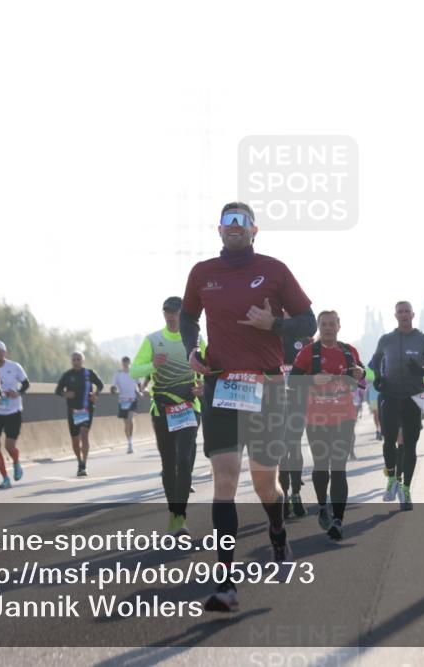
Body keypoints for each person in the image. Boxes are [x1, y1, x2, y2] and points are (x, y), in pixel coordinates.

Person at [181, 201, 316, 612]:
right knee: (224, 476)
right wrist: (191, 350)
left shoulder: (274, 269)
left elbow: (308, 323)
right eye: (227, 220)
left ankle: (277, 529)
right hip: (220, 385)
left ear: (254, 230)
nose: (234, 226)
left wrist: (273, 325)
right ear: (218, 229)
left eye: (242, 221)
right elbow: (188, 317)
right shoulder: (203, 273)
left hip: (265, 387)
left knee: (263, 483)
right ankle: (225, 582)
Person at [130, 296, 206, 536]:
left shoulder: (194, 340)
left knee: (184, 460)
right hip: (161, 410)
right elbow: (134, 370)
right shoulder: (153, 340)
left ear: (183, 314)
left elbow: (210, 367)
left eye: (174, 312)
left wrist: (202, 384)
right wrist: (151, 365)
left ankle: (179, 518)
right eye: (167, 312)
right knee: (169, 464)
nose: (170, 316)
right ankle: (173, 514)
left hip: (188, 407)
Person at [290, 311, 363, 540]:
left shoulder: (349, 351)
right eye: (324, 324)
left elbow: (360, 379)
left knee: (339, 468)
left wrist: (360, 375)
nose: (328, 328)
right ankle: (323, 506)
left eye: (332, 324)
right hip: (317, 418)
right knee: (321, 466)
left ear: (339, 326)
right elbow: (292, 381)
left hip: (345, 417)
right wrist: (312, 379)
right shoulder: (308, 353)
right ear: (319, 327)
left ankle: (338, 520)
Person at [368, 301, 424, 511]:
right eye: (400, 312)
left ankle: (406, 488)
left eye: (407, 312)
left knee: (410, 445)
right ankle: (392, 478)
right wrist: (377, 378)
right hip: (390, 396)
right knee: (389, 441)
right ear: (395, 315)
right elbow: (374, 363)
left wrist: (423, 372)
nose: (404, 315)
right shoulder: (386, 340)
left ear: (413, 315)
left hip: (413, 397)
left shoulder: (422, 340)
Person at [0, 340, 29, 489]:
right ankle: (5, 478)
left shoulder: (14, 367)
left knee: (9, 446)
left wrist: (18, 392)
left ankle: (16, 462)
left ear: (5, 352)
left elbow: (26, 383)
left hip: (13, 411)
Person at [279, 325, 312, 519]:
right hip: (274, 401)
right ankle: (283, 496)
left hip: (297, 401)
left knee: (294, 446)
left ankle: (296, 494)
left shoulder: (304, 340)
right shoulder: (268, 338)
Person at [54, 352, 104, 476]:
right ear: (71, 361)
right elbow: (58, 391)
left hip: (87, 409)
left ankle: (84, 465)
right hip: (73, 410)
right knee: (75, 440)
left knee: (84, 434)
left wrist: (95, 394)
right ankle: (79, 460)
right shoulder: (67, 375)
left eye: (78, 359)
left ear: (83, 360)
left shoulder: (89, 373)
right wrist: (66, 394)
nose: (76, 361)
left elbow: (100, 385)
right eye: (74, 359)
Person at [112, 356, 141, 454]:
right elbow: (114, 386)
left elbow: (139, 384)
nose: (125, 364)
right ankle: (129, 442)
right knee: (126, 423)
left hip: (132, 399)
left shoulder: (134, 372)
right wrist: (114, 389)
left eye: (127, 362)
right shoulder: (118, 374)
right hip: (123, 400)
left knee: (130, 419)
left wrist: (141, 392)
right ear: (122, 363)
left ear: (129, 363)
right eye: (123, 362)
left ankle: (131, 442)